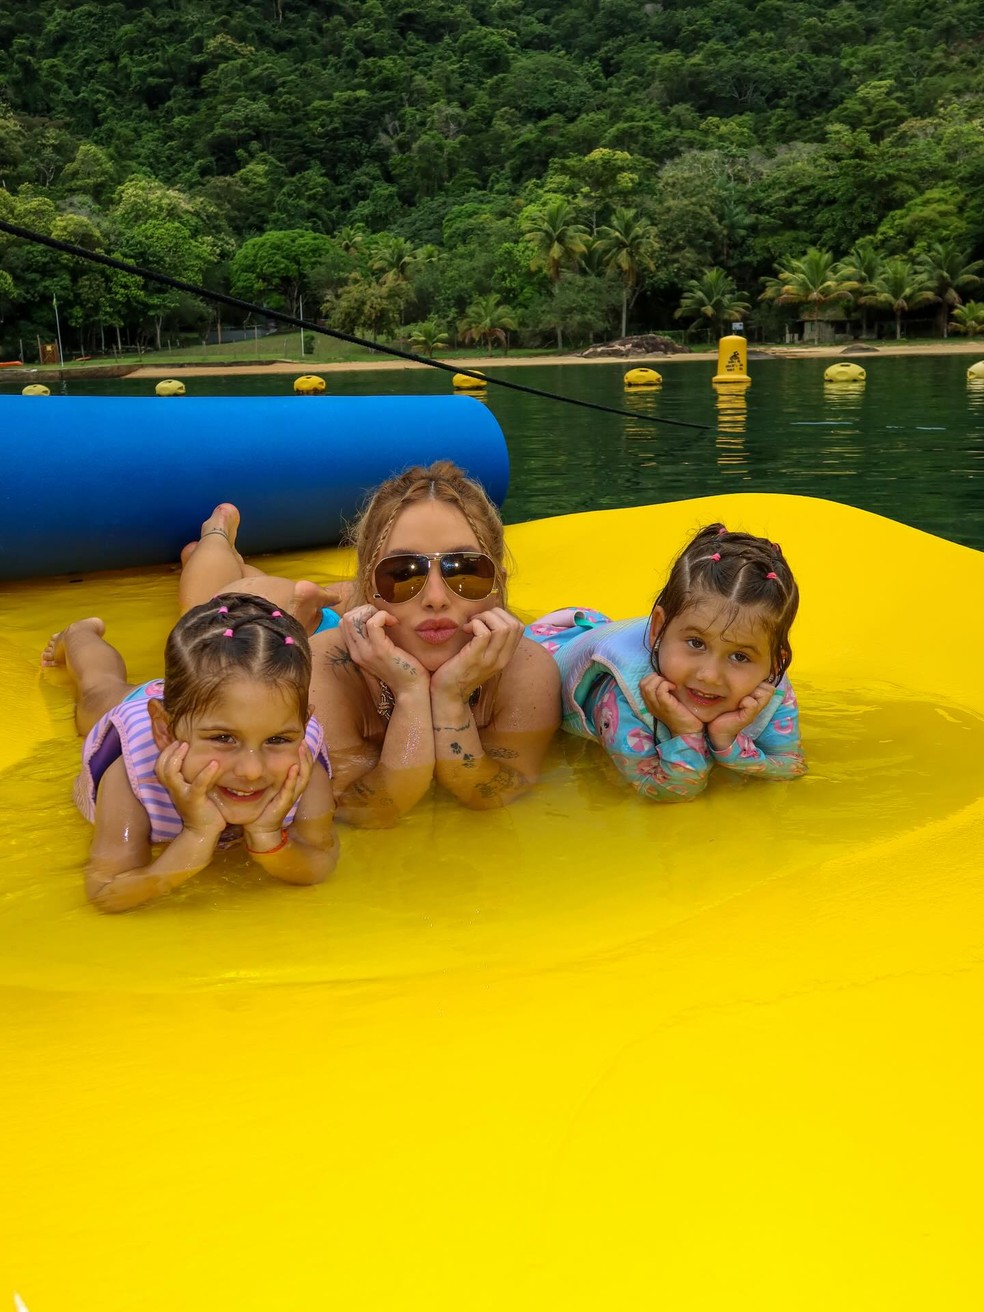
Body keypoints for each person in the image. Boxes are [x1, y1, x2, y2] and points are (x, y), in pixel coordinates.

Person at [178, 462, 562, 826]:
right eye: (402, 572)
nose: (436, 598)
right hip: (345, 627)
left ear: (497, 585)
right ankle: (217, 537)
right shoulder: (321, 670)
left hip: (386, 620)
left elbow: (495, 794)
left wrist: (450, 697)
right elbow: (365, 810)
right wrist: (410, 693)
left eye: (465, 570)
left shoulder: (526, 669)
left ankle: (314, 593)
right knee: (222, 609)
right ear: (369, 585)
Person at [42, 594, 339, 912]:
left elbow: (318, 864)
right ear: (165, 731)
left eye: (277, 739)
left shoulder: (303, 770)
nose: (252, 770)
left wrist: (268, 837)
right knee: (98, 688)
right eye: (223, 738)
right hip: (144, 712)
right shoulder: (133, 778)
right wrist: (197, 837)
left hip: (195, 705)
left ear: (302, 727)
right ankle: (79, 634)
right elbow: (106, 893)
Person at [526, 524, 806, 801]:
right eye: (696, 643)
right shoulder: (624, 695)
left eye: (740, 657)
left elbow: (790, 767)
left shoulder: (769, 687)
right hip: (547, 649)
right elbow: (661, 791)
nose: (709, 675)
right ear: (659, 628)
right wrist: (686, 733)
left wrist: (729, 742)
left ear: (774, 663)